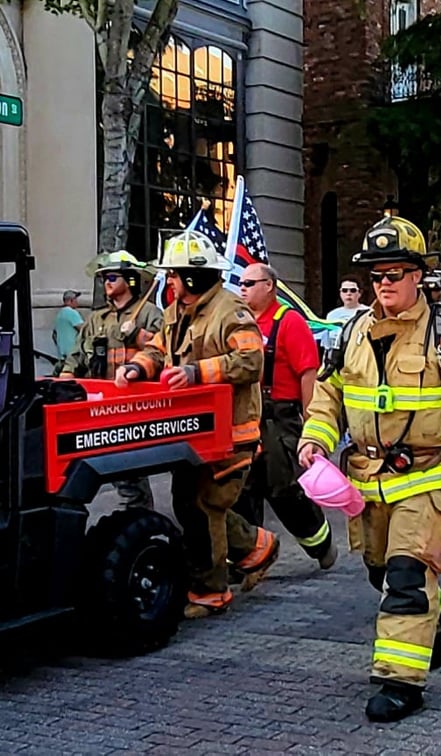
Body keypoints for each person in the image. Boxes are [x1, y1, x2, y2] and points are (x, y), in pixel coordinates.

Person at [297, 215, 441, 722]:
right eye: (376, 274)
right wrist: (315, 439)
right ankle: (436, 611)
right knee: (381, 572)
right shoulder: (352, 332)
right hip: (369, 482)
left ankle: (399, 682)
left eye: (394, 273)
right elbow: (329, 396)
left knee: (405, 575)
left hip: (430, 477)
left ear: (417, 275)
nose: (384, 282)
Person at [114, 229, 280, 618]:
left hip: (231, 433)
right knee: (190, 502)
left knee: (207, 505)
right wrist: (138, 367)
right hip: (193, 431)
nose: (168, 281)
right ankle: (256, 547)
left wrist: (197, 372)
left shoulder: (231, 311)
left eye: (173, 274)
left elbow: (252, 362)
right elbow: (158, 349)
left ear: (192, 276)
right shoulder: (176, 311)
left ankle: (211, 591)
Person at [234, 262, 338, 570]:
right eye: (241, 283)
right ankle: (249, 556)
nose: (242, 288)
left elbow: (308, 373)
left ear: (269, 286)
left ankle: (319, 542)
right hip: (245, 416)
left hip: (279, 418)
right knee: (243, 487)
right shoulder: (240, 323)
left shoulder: (289, 321)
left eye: (249, 283)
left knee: (283, 487)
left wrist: (311, 422)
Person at [60, 250, 163, 507]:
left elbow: (164, 350)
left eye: (113, 277)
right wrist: (66, 376)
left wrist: (138, 334)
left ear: (129, 280)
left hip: (134, 403)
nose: (107, 282)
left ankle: (140, 515)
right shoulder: (97, 319)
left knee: (129, 469)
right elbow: (77, 353)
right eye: (104, 277)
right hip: (101, 402)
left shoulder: (149, 313)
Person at [52, 289, 84, 364]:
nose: (77, 302)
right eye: (75, 299)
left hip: (62, 355)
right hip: (73, 354)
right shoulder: (72, 312)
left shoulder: (59, 314)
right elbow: (84, 329)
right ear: (70, 300)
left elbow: (54, 335)